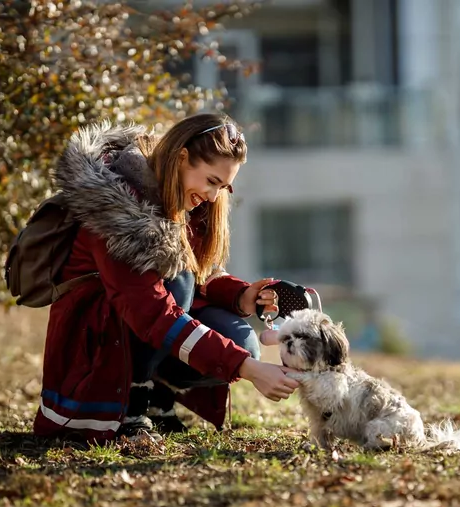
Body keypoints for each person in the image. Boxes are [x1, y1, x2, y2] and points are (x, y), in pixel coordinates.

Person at [33, 114, 300, 444]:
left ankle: (155, 394)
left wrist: (242, 296)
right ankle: (130, 407)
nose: (214, 196)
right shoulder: (117, 207)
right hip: (94, 348)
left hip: (139, 325)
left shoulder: (186, 197)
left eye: (223, 187)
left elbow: (200, 275)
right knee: (184, 284)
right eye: (212, 181)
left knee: (241, 339)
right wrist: (246, 369)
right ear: (183, 158)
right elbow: (153, 311)